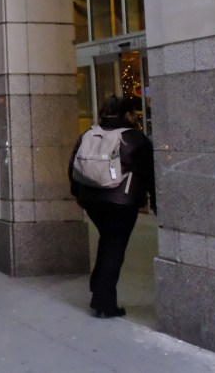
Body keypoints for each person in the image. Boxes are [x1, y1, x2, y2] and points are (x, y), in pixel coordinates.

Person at [68, 95, 155, 318]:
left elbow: (73, 166)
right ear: (127, 114)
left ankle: (97, 284)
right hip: (121, 202)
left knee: (108, 239)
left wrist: (78, 194)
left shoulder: (89, 134)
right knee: (115, 247)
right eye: (133, 113)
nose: (136, 117)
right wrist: (155, 200)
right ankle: (104, 303)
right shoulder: (135, 139)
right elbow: (149, 174)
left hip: (91, 200)